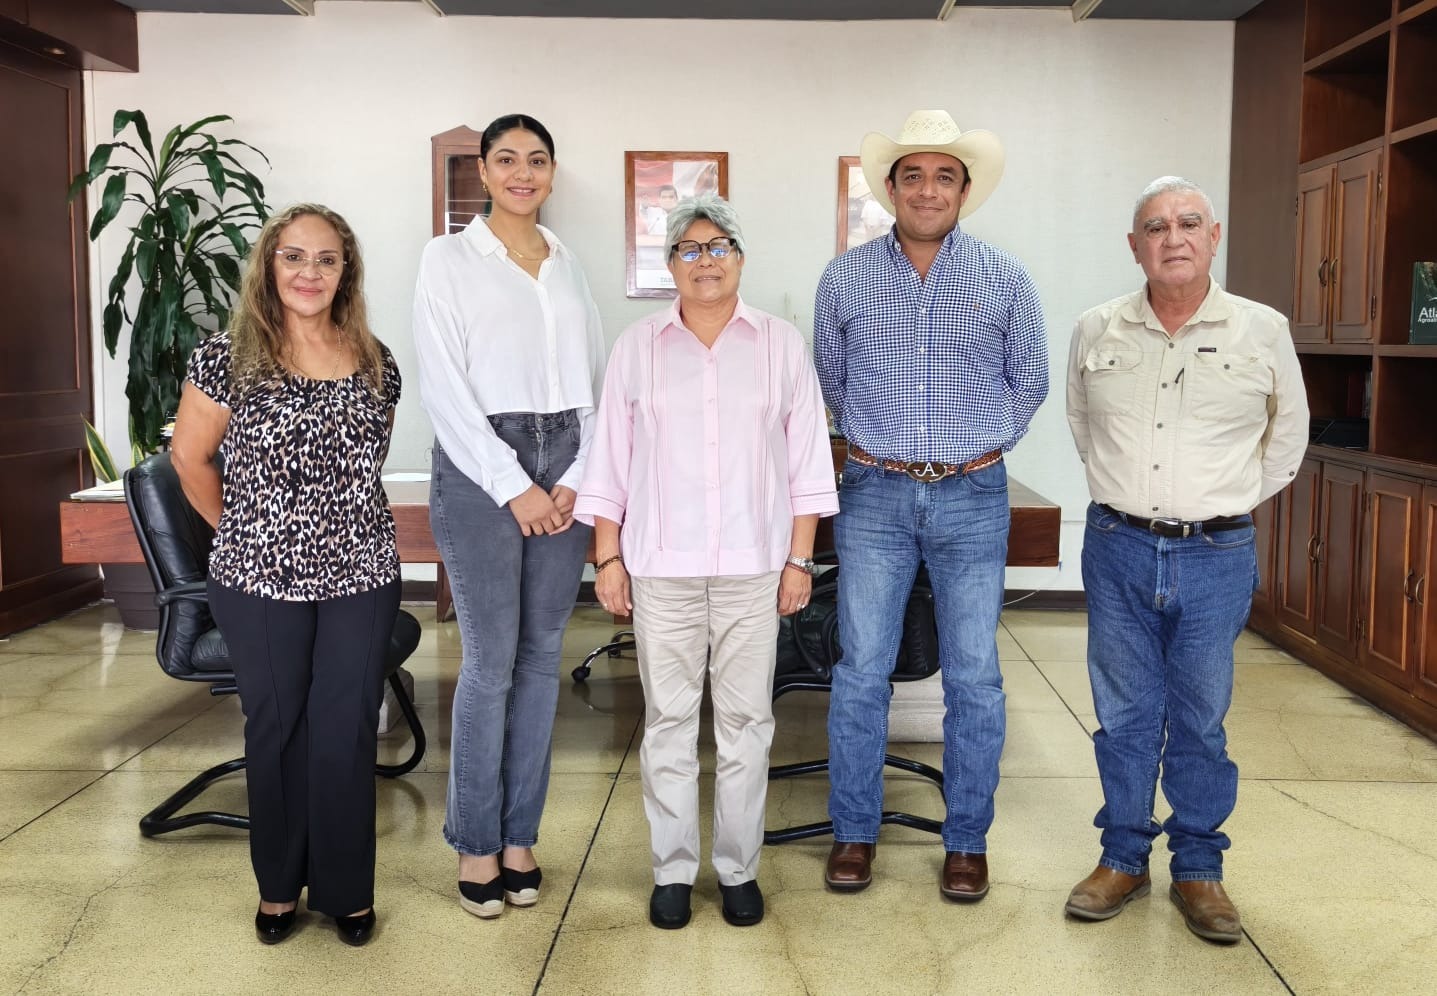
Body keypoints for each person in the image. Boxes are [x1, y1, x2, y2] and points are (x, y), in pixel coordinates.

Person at [575, 194, 838, 930]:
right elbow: (610, 464)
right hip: (660, 566)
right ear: (669, 267)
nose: (705, 260)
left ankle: (737, 868)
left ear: (741, 257)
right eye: (688, 249)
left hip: (756, 563)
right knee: (666, 720)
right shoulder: (638, 348)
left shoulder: (781, 344)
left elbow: (807, 466)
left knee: (746, 720)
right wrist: (607, 556)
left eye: (718, 245)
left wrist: (798, 562)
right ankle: (671, 870)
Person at [1064, 176, 1308, 943]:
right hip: (1116, 546)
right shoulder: (1095, 328)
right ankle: (1122, 858)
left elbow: (1286, 441)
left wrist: (1216, 503)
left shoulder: (1261, 330)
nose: (1172, 236)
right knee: (1124, 714)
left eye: (1187, 223)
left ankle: (1199, 868)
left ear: (1214, 236)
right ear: (1133, 245)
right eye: (1155, 226)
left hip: (1216, 553)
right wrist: (1133, 499)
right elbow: (1082, 424)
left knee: (1200, 718)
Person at [813, 109, 1048, 900]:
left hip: (971, 498)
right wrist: (877, 449)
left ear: (964, 189)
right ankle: (854, 832)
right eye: (911, 173)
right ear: (888, 188)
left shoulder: (1004, 277)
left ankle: (966, 839)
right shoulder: (843, 278)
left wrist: (984, 445)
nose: (927, 188)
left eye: (943, 175)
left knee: (975, 676)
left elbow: (1031, 379)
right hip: (873, 494)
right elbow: (829, 382)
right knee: (861, 671)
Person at [171, 203, 402, 948]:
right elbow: (189, 459)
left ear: (346, 271)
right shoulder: (225, 357)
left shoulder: (375, 359)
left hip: (361, 572)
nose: (309, 272)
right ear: (269, 266)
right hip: (256, 577)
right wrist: (243, 532)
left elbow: (364, 466)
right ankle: (278, 886)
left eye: (326, 259)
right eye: (293, 256)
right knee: (276, 728)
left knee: (343, 731)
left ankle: (344, 891)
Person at [412, 113, 606, 920]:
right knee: (489, 663)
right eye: (505, 160)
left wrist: (582, 476)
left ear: (551, 174)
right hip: (480, 459)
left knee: (540, 657)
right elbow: (443, 388)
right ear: (482, 174)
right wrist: (510, 484)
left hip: (565, 452)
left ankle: (520, 835)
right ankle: (477, 843)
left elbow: (594, 379)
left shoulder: (566, 262)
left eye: (536, 161)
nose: (522, 173)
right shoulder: (448, 258)